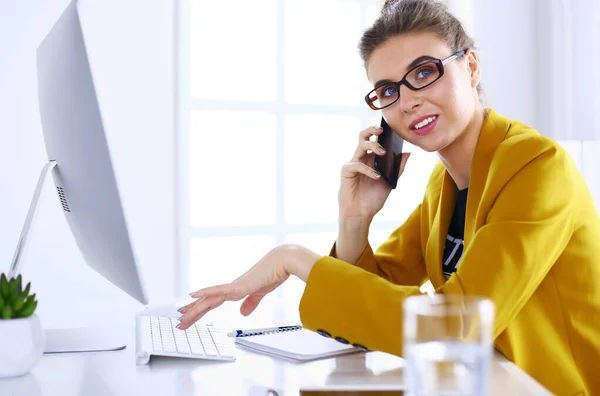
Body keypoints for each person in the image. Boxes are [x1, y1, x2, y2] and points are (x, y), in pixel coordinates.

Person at [178, 0, 600, 393]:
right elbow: (378, 296)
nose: (410, 101)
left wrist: (295, 258)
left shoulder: (537, 166)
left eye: (423, 72)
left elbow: (458, 326)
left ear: (470, 66)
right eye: (388, 90)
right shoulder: (445, 185)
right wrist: (354, 219)